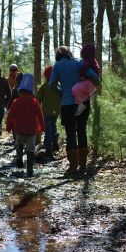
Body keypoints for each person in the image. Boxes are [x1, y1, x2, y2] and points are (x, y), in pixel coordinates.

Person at [49, 45, 100, 173]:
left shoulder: (57, 66)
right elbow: (95, 78)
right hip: (83, 102)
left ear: (58, 56)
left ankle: (73, 166)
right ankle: (83, 165)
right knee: (81, 130)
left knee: (70, 133)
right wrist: (87, 90)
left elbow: (51, 86)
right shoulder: (79, 62)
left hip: (66, 104)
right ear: (69, 53)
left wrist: (62, 93)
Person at [6, 73, 45, 177]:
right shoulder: (35, 102)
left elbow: (10, 116)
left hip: (19, 129)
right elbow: (40, 115)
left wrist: (8, 127)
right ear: (31, 92)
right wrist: (42, 127)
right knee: (30, 148)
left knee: (19, 144)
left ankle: (19, 158)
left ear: (20, 91)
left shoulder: (16, 101)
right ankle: (30, 168)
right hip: (32, 130)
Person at [36, 65, 61, 159]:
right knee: (53, 127)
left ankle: (48, 149)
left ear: (46, 76)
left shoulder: (45, 86)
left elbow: (38, 99)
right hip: (56, 111)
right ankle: (55, 143)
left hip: (46, 112)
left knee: (48, 130)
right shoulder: (58, 86)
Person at [72, 43, 100, 116]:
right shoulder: (92, 60)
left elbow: (84, 67)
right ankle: (82, 104)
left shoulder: (89, 60)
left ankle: (80, 105)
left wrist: (81, 74)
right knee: (82, 92)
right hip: (91, 83)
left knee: (75, 89)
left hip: (90, 82)